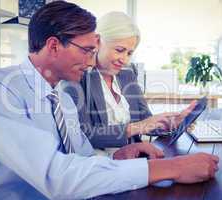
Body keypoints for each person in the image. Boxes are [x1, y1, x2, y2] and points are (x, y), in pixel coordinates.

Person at [0, 1, 219, 199]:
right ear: (54, 46)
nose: (91, 63)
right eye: (87, 51)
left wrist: (118, 156)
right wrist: (171, 167)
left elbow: (82, 158)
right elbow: (56, 176)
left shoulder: (62, 101)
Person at [65, 12, 196, 150]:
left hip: (134, 158)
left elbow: (146, 120)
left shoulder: (127, 75)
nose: (125, 60)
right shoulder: (77, 77)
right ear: (98, 42)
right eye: (119, 50)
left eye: (129, 53)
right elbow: (86, 135)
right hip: (101, 163)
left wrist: (169, 123)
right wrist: (136, 127)